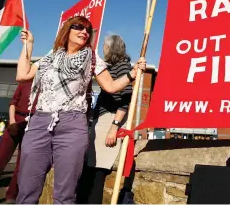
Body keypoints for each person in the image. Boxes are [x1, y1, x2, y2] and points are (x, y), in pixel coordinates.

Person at [15, 16, 146, 204]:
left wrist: (132, 73)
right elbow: (22, 75)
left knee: (65, 193)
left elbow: (110, 86)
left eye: (88, 30)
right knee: (27, 189)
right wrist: (28, 45)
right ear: (67, 30)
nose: (84, 32)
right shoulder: (51, 55)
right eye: (79, 27)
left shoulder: (92, 57)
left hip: (72, 124)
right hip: (39, 122)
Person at [77, 35, 134, 204]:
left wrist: (114, 127)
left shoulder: (123, 65)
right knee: (90, 170)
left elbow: (125, 99)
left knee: (97, 172)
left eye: (105, 46)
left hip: (109, 120)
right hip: (101, 119)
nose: (103, 49)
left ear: (112, 48)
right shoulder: (114, 66)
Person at [0, 80, 36, 204]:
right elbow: (13, 103)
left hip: (32, 124)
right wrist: (12, 121)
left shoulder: (48, 86)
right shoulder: (25, 83)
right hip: (15, 121)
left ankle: (11, 195)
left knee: (21, 164)